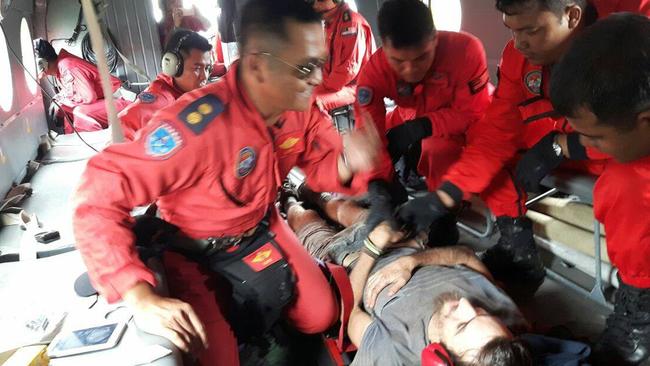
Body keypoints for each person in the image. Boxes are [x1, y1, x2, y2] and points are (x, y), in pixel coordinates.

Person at [71, 0, 380, 364]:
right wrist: (137, 294)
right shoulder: (194, 127)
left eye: (319, 64)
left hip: (263, 226)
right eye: (304, 67)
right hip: (195, 251)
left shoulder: (300, 110)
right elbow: (97, 191)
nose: (317, 79)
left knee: (321, 316)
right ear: (257, 66)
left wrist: (349, 162)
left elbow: (324, 164)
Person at [395, 0, 649, 293]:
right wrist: (444, 197)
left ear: (572, 15)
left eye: (531, 30)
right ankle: (517, 248)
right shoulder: (519, 58)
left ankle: (639, 301)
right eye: (512, 30)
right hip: (558, 137)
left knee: (629, 183)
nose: (519, 43)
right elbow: (496, 132)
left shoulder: (629, 39)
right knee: (481, 146)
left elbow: (639, 133)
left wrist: (568, 146)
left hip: (615, 146)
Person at [548, 13, 650, 365]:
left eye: (595, 136)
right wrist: (560, 147)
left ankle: (641, 317)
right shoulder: (633, 117)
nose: (586, 142)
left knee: (623, 186)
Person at [353, 0, 491, 245]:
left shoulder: (467, 50)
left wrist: (422, 128)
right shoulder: (374, 73)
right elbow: (368, 135)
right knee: (374, 150)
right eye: (398, 61)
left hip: (469, 117)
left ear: (435, 38)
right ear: (384, 48)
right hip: (413, 114)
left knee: (438, 151)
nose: (410, 70)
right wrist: (379, 187)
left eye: (421, 58)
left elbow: (472, 113)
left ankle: (444, 219)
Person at [346, 223, 532, 365]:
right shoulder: (505, 312)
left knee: (332, 210)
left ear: (437, 357)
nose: (465, 304)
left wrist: (372, 247)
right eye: (482, 312)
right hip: (411, 245)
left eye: (462, 325)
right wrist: (410, 261)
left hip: (356, 257)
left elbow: (350, 311)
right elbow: (465, 255)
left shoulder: (391, 351)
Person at [119, 30, 212, 141]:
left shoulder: (186, 91)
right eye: (197, 68)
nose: (204, 76)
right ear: (172, 66)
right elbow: (121, 130)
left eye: (207, 68)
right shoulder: (161, 99)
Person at [33, 39, 130, 134]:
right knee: (68, 113)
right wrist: (58, 100)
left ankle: (95, 146)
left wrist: (62, 102)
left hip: (120, 101)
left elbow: (88, 97)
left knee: (80, 113)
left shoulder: (67, 66)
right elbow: (72, 92)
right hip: (108, 101)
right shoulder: (61, 69)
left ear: (41, 63)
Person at [310, 0, 375, 114]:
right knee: (297, 96)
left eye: (320, 0)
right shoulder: (330, 23)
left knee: (311, 103)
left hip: (356, 87)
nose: (315, 5)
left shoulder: (351, 24)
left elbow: (348, 70)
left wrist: (323, 86)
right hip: (333, 84)